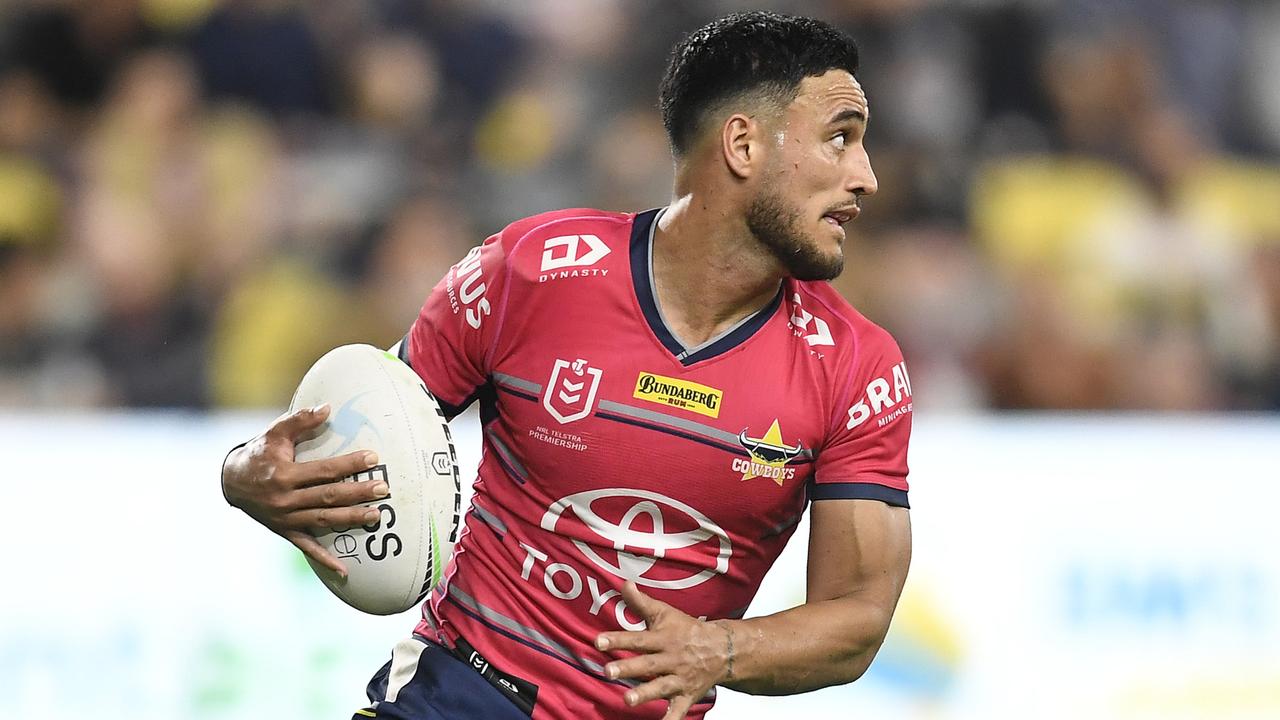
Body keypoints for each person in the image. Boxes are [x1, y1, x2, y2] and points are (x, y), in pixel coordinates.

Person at [222, 11, 913, 720]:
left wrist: (719, 651)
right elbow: (378, 420)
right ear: (742, 145)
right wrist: (245, 472)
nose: (867, 178)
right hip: (455, 694)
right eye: (841, 140)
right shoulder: (533, 272)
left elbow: (856, 618)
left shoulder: (858, 369)